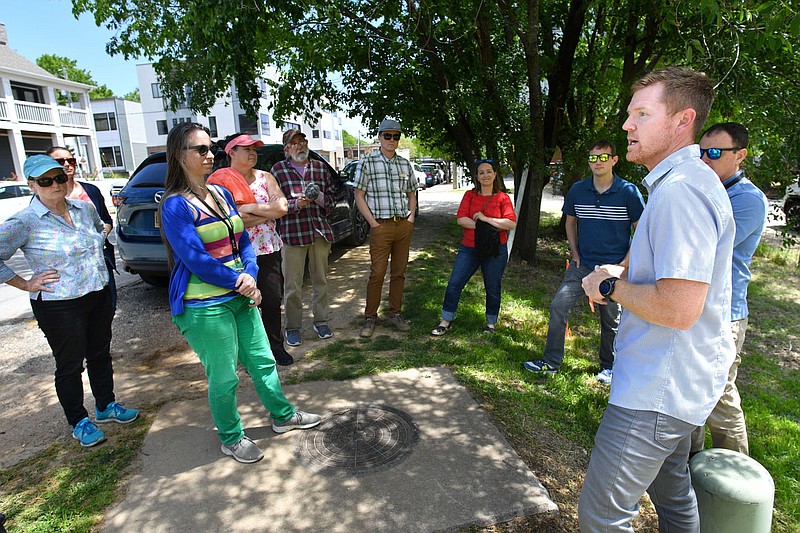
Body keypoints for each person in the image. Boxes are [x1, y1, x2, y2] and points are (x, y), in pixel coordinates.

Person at [578, 67, 735, 531]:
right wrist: (622, 272)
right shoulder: (682, 183)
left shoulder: (682, 191)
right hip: (680, 383)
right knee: (675, 499)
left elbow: (678, 308)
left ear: (682, 120)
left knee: (602, 516)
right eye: (630, 114)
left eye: (642, 114)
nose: (627, 125)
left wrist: (608, 286)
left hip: (656, 390)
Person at [158, 122, 320, 464]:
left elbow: (243, 237)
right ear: (179, 155)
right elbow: (195, 259)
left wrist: (249, 274)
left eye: (211, 147)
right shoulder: (175, 206)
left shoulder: (219, 193)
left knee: (262, 361)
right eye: (201, 150)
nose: (210, 155)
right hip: (205, 305)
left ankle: (282, 416)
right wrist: (239, 282)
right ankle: (231, 437)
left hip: (239, 294)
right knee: (224, 374)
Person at [0, 155, 139, 448]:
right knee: (70, 364)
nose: (55, 185)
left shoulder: (84, 209)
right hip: (59, 305)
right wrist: (26, 283)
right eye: (45, 181)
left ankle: (105, 405)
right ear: (31, 185)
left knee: (100, 354)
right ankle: (79, 420)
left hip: (97, 294)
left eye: (59, 178)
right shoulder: (24, 222)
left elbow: (101, 232)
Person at [523, 140, 644, 384]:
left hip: (612, 271)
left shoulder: (628, 192)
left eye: (603, 157)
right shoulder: (578, 190)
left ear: (614, 160)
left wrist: (623, 266)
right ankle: (551, 361)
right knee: (558, 306)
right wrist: (574, 252)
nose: (597, 162)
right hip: (583, 266)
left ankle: (608, 367)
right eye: (592, 157)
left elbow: (641, 232)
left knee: (611, 319)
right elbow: (570, 221)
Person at [690, 122, 768, 456]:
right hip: (694, 307)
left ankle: (736, 477)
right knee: (691, 390)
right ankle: (691, 467)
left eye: (716, 153)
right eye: (702, 152)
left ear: (740, 155)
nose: (706, 160)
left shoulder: (747, 199)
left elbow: (700, 245)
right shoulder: (706, 190)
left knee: (719, 395)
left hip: (725, 315)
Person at [207, 133, 294, 366]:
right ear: (231, 153)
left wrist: (249, 209)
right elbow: (224, 220)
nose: (253, 152)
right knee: (242, 305)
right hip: (234, 254)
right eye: (246, 148)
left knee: (272, 301)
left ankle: (276, 348)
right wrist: (266, 213)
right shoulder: (219, 181)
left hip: (267, 250)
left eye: (255, 148)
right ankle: (247, 356)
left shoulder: (266, 177)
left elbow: (283, 207)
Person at [430, 159, 516, 335]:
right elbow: (461, 219)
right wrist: (487, 228)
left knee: (493, 287)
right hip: (470, 248)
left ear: (495, 174)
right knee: (454, 283)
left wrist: (485, 219)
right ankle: (446, 320)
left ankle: (490, 324)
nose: (485, 175)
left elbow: (510, 223)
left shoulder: (502, 197)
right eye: (481, 172)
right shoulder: (470, 195)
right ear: (477, 176)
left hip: (495, 250)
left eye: (488, 171)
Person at [270, 129, 337, 346]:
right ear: (286, 150)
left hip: (319, 231)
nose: (300, 146)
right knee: (292, 286)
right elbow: (275, 206)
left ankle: (321, 321)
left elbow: (332, 202)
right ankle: (293, 327)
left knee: (321, 281)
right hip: (292, 234)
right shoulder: (278, 170)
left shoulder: (319, 167)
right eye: (294, 143)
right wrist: (296, 204)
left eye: (302, 141)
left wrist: (317, 197)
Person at [354, 118, 418, 337]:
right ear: (379, 137)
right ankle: (370, 317)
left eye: (396, 136)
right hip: (380, 225)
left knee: (399, 272)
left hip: (402, 224)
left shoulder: (404, 164)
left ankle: (395, 313)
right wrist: (372, 222)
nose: (392, 140)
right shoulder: (367, 162)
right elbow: (359, 195)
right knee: (377, 272)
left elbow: (412, 192)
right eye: (387, 136)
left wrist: (411, 218)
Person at [47, 146, 118, 308]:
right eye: (60, 161)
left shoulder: (91, 191)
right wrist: (27, 284)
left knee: (106, 312)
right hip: (67, 275)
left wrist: (100, 236)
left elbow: (107, 220)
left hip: (100, 264)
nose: (67, 164)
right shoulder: (45, 198)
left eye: (70, 160)